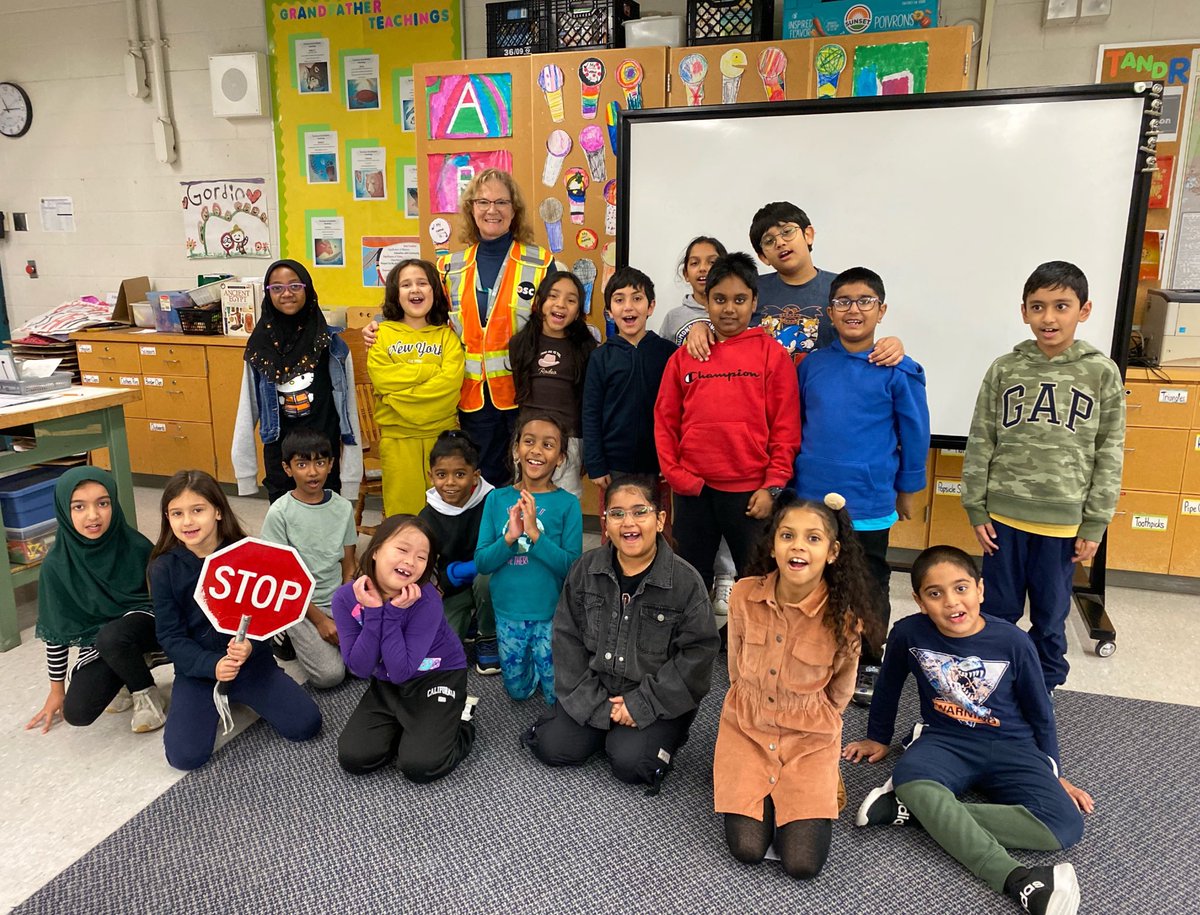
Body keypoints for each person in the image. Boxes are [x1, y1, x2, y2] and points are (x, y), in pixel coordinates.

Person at [843, 545, 1092, 915]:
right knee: (911, 778)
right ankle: (1018, 880)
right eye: (935, 593)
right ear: (919, 600)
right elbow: (889, 684)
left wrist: (1054, 772)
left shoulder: (1012, 641)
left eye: (961, 588)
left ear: (980, 590)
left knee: (1064, 825)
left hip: (1012, 745)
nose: (951, 602)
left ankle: (914, 812)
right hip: (946, 742)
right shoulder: (909, 633)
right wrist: (878, 737)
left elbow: (1041, 713)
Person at [962, 261, 1125, 693]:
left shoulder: (1100, 372)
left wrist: (1096, 522)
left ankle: (1045, 685)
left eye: (1061, 306)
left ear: (1084, 310)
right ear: (1023, 312)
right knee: (997, 609)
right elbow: (981, 439)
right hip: (1003, 519)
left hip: (1063, 523)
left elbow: (1109, 451)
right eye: (1038, 307)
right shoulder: (1004, 369)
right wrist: (975, 506)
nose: (1048, 318)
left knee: (1051, 616)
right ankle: (992, 683)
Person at [714, 492, 877, 879]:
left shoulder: (845, 618)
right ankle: (751, 780)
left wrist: (812, 728)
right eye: (787, 535)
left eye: (813, 538)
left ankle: (813, 780)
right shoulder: (742, 595)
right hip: (747, 727)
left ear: (833, 552)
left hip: (810, 737)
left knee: (802, 863)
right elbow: (735, 668)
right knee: (748, 849)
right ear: (773, 545)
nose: (798, 546)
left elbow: (839, 692)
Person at [525, 473, 719, 790]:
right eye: (617, 514)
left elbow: (697, 656)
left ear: (660, 520)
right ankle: (608, 727)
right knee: (552, 746)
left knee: (632, 764)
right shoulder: (585, 570)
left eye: (640, 511)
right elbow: (566, 638)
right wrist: (598, 706)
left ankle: (653, 733)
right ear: (606, 523)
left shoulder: (686, 582)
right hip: (596, 687)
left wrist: (640, 705)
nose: (628, 523)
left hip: (655, 694)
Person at [365, 170, 557, 487]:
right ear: (470, 208)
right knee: (480, 483)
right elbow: (418, 307)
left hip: (526, 395)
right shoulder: (448, 267)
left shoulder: (541, 263)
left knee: (528, 482)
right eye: (482, 201)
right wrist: (379, 323)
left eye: (501, 202)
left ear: (514, 209)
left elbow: (561, 320)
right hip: (470, 398)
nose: (491, 209)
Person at [795, 266, 930, 706]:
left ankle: (871, 657)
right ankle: (815, 651)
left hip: (868, 496)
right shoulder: (812, 365)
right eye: (843, 302)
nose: (854, 310)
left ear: (881, 310)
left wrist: (908, 488)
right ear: (830, 312)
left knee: (867, 577)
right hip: (811, 492)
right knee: (813, 574)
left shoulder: (898, 369)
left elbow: (914, 432)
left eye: (864, 301)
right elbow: (795, 423)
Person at [654, 252, 801, 619]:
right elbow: (665, 420)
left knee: (758, 580)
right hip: (694, 490)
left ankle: (751, 647)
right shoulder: (686, 355)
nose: (729, 309)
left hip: (751, 495)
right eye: (719, 299)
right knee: (689, 578)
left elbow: (786, 426)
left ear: (754, 301)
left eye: (739, 300)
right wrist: (676, 475)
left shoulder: (772, 355)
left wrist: (772, 486)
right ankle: (690, 644)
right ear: (706, 300)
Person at [151, 470, 322, 770]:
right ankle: (221, 696)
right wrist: (210, 665)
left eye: (197, 510)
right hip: (199, 674)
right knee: (185, 757)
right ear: (167, 517)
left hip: (252, 666)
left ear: (218, 511)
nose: (188, 521)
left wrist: (252, 647)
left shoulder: (248, 553)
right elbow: (170, 637)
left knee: (306, 725)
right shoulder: (164, 568)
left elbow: (270, 614)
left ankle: (244, 692)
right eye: (177, 513)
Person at [332, 514, 476, 783]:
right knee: (355, 757)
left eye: (422, 557)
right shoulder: (345, 597)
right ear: (375, 551)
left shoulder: (426, 599)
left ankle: (462, 718)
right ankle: (413, 724)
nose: (411, 561)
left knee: (420, 766)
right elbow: (360, 668)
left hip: (437, 674)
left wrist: (393, 614)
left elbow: (402, 670)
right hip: (387, 680)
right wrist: (375, 613)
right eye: (402, 549)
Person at [26, 467, 166, 735]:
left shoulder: (136, 546)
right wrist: (57, 690)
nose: (93, 515)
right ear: (65, 512)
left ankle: (144, 691)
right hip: (102, 642)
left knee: (113, 636)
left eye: (103, 503)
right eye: (79, 506)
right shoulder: (56, 564)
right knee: (77, 712)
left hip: (148, 628)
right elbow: (57, 629)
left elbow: (167, 605)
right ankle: (127, 671)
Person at [683, 202, 904, 367]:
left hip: (821, 397)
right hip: (764, 401)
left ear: (808, 234)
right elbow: (727, 327)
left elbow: (862, 332)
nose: (780, 242)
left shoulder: (841, 289)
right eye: (769, 241)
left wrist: (892, 344)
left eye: (787, 231)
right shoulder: (751, 290)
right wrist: (700, 326)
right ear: (763, 257)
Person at [233, 258, 362, 503]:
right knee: (285, 527)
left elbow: (349, 413)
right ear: (267, 293)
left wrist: (351, 473)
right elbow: (247, 410)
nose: (286, 293)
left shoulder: (333, 346)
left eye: (295, 286)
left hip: (324, 456)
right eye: (277, 287)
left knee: (326, 525)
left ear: (308, 289)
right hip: (281, 459)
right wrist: (245, 473)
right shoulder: (259, 347)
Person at [475, 412, 582, 704]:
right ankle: (528, 670)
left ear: (560, 458)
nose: (536, 450)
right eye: (529, 442)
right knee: (518, 692)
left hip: (550, 615)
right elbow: (483, 562)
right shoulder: (496, 500)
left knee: (554, 697)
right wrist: (510, 538)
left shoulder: (568, 504)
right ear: (516, 450)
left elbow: (572, 568)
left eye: (548, 445)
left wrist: (535, 535)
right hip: (508, 613)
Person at [259, 428, 356, 690]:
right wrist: (321, 620)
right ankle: (284, 635)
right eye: (302, 464)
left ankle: (307, 639)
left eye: (320, 463)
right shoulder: (279, 513)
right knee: (330, 676)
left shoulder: (343, 508)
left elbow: (348, 564)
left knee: (363, 664)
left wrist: (346, 606)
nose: (312, 472)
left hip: (337, 598)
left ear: (331, 465)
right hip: (298, 604)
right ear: (287, 468)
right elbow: (281, 580)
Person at [369, 258, 465, 516]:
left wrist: (397, 396)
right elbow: (382, 378)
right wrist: (429, 371)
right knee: (403, 516)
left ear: (434, 289)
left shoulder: (447, 336)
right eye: (406, 284)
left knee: (446, 512)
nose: (415, 290)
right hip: (398, 440)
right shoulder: (381, 335)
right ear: (395, 293)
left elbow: (449, 389)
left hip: (441, 439)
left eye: (422, 283)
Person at [581, 267, 676, 506]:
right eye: (619, 299)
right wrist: (595, 464)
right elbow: (591, 413)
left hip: (658, 464)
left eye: (637, 298)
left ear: (651, 306)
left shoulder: (668, 354)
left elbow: (678, 409)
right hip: (614, 466)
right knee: (616, 529)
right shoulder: (600, 357)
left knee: (659, 527)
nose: (628, 307)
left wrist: (672, 459)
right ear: (609, 312)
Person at [508, 271, 598, 500]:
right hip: (529, 436)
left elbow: (587, 401)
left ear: (579, 310)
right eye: (553, 296)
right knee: (527, 503)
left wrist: (587, 449)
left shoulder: (586, 348)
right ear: (540, 302)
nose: (561, 304)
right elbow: (519, 387)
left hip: (569, 440)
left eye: (571, 300)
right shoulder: (521, 343)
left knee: (564, 504)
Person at [418, 429, 500, 675]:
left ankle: (488, 635)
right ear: (430, 475)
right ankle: (471, 620)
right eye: (442, 475)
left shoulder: (492, 501)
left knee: (486, 580)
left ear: (475, 476)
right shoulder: (427, 517)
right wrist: (445, 579)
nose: (450, 483)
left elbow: (507, 547)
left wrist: (470, 568)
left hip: (490, 577)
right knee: (442, 651)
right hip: (452, 587)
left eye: (460, 474)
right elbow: (426, 567)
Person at [659, 236, 728, 347]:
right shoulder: (673, 318)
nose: (703, 268)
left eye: (712, 262)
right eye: (695, 263)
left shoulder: (734, 312)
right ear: (686, 274)